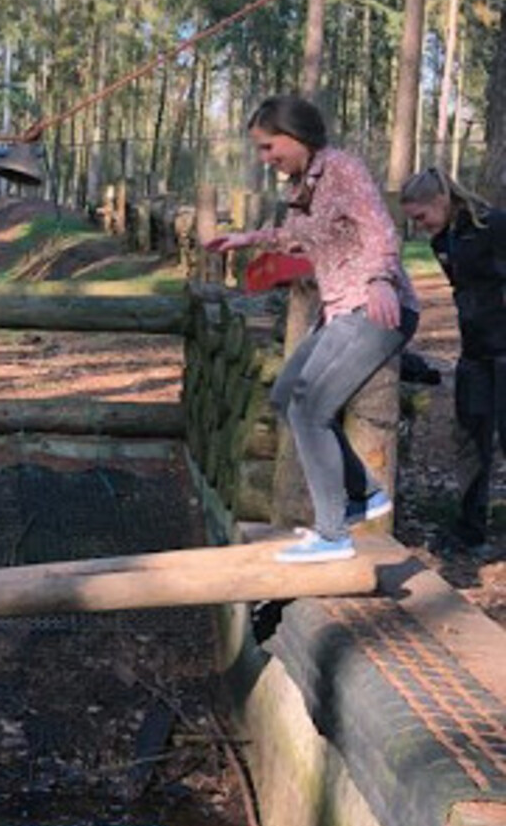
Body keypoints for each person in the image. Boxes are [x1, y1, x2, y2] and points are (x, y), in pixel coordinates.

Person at [207, 95, 419, 563]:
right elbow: (296, 238)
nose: (265, 158)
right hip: (341, 310)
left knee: (310, 408)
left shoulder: (342, 168)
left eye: (268, 146)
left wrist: (381, 280)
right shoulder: (302, 187)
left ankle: (333, 533)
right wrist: (248, 238)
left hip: (374, 305)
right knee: (286, 395)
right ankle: (363, 494)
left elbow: (380, 227)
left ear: (296, 135)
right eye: (260, 150)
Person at [401, 167, 501, 552]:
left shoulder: (493, 226)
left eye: (421, 216)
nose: (420, 226)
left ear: (441, 200)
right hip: (475, 354)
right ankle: (469, 529)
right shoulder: (442, 241)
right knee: (470, 441)